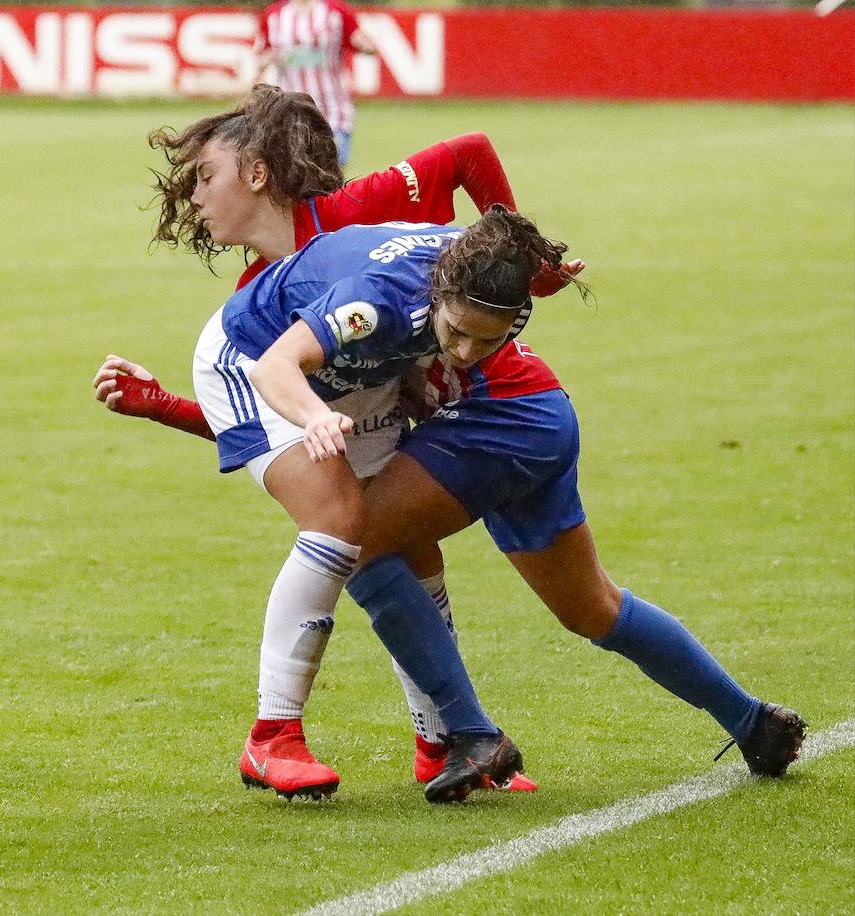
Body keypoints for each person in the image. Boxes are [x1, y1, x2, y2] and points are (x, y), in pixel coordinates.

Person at [101, 208, 809, 788]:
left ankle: (467, 735)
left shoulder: (393, 309)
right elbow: (278, 433)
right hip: (540, 423)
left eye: (485, 337)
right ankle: (751, 722)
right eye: (456, 333)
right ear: (437, 296)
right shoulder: (377, 304)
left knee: (355, 541)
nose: (465, 351)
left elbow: (292, 414)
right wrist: (168, 406)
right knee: (594, 609)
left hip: (502, 428)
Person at [123, 85, 573, 797]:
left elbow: (468, 154)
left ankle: (446, 743)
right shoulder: (264, 289)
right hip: (281, 370)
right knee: (339, 520)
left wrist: (534, 274)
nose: (195, 199)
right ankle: (272, 737)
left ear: (258, 174)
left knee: (406, 546)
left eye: (206, 176)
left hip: (353, 373)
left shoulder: (356, 215)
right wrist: (169, 407)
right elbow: (266, 397)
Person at [256, 0, 375, 166]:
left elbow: (361, 41)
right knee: (295, 175)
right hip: (290, 112)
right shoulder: (274, 15)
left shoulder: (336, 11)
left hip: (333, 111)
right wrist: (273, 57)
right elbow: (260, 58)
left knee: (329, 173)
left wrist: (366, 44)